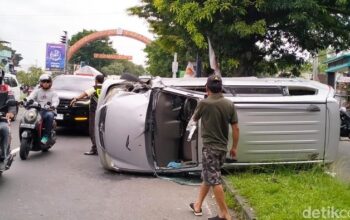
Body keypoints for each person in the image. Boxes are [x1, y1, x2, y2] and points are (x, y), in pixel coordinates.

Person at [189, 74, 239, 220]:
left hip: (210, 148)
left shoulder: (204, 103)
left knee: (214, 179)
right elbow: (236, 129)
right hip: (222, 148)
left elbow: (194, 118)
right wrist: (234, 147)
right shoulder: (229, 104)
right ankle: (197, 206)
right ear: (220, 88)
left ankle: (225, 214)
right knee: (209, 176)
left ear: (207, 87)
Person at [70, 74, 105, 155]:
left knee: (92, 129)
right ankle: (102, 149)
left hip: (94, 111)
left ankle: (95, 148)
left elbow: (85, 93)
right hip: (103, 112)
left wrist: (76, 99)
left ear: (96, 80)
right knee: (102, 130)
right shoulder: (105, 89)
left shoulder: (94, 88)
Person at [27, 73, 59, 145]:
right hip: (38, 109)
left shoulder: (53, 92)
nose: (45, 83)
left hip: (49, 110)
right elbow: (30, 97)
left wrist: (53, 106)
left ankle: (45, 137)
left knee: (49, 116)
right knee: (29, 115)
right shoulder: (37, 91)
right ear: (41, 82)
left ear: (50, 82)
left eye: (47, 81)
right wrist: (25, 100)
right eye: (44, 81)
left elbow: (55, 101)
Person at [0, 68, 16, 162]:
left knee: (4, 129)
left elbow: (12, 101)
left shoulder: (6, 88)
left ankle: (4, 154)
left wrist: (10, 112)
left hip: (2, 118)